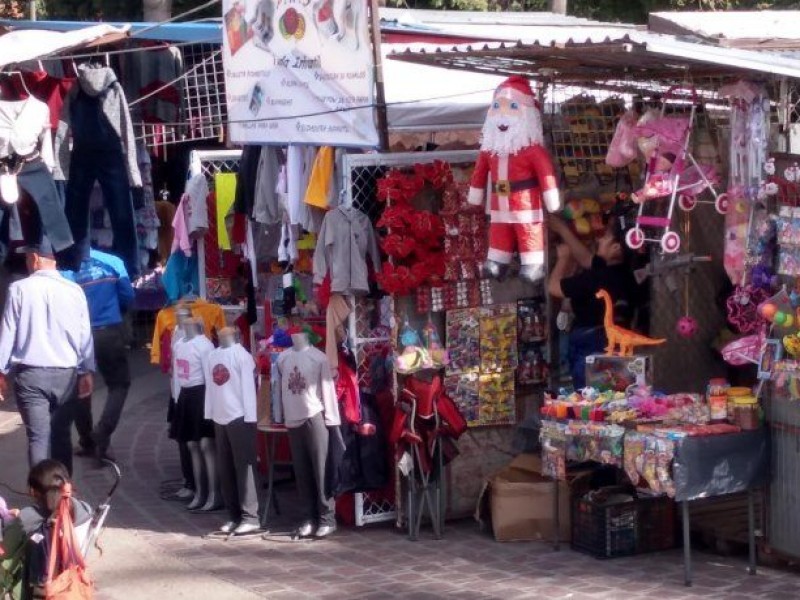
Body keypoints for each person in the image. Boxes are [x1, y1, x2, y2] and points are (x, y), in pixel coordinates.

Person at [0, 240, 94, 475]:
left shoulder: (19, 289)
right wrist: (86, 371)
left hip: (31, 375)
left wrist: (1, 371)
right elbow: (85, 335)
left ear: (35, 258)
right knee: (62, 435)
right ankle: (64, 499)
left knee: (38, 438)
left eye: (28, 256)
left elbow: (7, 333)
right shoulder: (75, 291)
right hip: (67, 374)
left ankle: (42, 500)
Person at [548, 213, 639, 389]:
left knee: (589, 399)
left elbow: (553, 287)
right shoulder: (625, 275)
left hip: (590, 345)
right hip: (617, 344)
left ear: (616, 248)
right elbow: (587, 260)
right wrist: (562, 229)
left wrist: (563, 259)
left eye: (606, 237)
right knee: (615, 394)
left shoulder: (596, 278)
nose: (600, 239)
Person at [62, 248, 134, 463]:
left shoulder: (66, 267)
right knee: (119, 384)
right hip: (109, 331)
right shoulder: (113, 261)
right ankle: (103, 431)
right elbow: (128, 296)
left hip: (79, 334)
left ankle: (87, 441)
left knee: (81, 388)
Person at [0, 460, 93, 600]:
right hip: (72, 578)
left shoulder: (28, 517)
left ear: (34, 491)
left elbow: (5, 552)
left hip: (40, 585)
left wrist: (13, 522)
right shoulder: (85, 510)